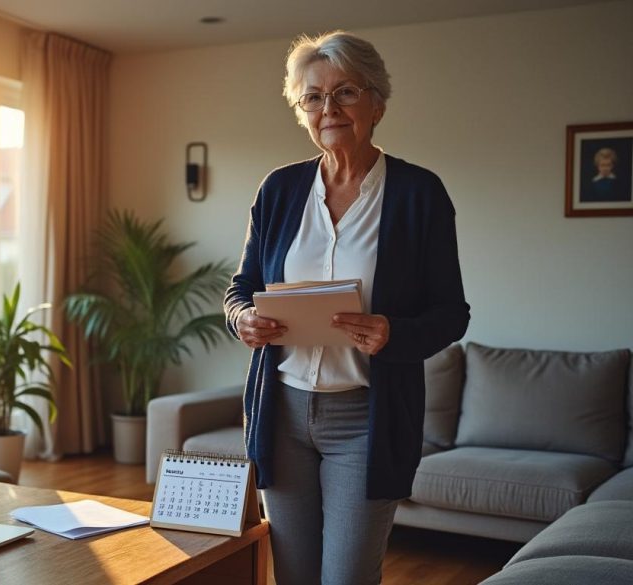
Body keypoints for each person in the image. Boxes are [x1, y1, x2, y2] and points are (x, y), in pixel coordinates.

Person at [223, 31, 469, 585]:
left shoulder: (418, 193)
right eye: (313, 97)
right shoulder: (279, 190)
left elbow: (452, 313)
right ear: (301, 110)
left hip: (367, 419)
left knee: (347, 578)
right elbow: (241, 287)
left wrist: (393, 333)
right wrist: (243, 319)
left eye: (345, 93)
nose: (328, 109)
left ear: (377, 102)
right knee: (293, 574)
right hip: (281, 412)